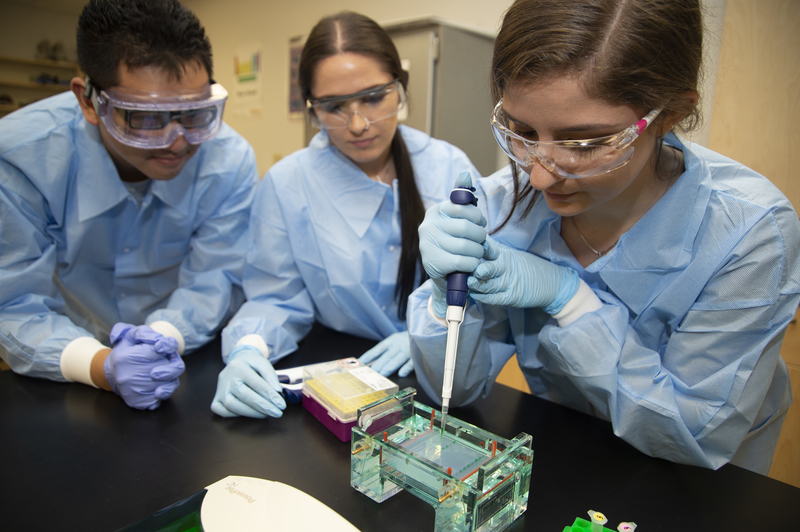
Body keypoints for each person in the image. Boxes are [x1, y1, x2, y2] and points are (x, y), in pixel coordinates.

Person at [408, 0, 798, 475]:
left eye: (584, 143)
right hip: (574, 448)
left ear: (671, 113)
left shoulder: (748, 231)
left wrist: (571, 300)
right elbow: (457, 390)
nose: (540, 177)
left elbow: (693, 432)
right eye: (522, 130)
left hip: (697, 482)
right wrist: (442, 299)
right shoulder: (502, 203)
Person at [211, 11, 478, 419]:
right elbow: (277, 297)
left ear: (400, 89)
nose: (358, 124)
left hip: (438, 370)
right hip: (340, 377)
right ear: (312, 109)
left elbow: (483, 284)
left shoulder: (447, 167)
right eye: (334, 106)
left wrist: (427, 332)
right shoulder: (288, 182)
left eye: (373, 97)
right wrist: (248, 348)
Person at [0, 0, 258, 411]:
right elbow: (13, 302)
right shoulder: (21, 158)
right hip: (65, 358)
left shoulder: (228, 159)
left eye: (195, 112)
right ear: (89, 102)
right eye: (145, 118)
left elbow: (215, 277)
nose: (178, 141)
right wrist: (99, 365)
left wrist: (162, 340)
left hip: (180, 352)